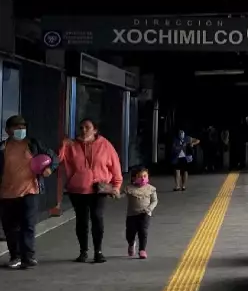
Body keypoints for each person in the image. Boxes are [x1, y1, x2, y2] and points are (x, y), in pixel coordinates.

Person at [59, 118, 122, 263]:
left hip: (98, 189)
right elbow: (58, 160)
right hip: (77, 190)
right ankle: (83, 251)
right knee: (81, 221)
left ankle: (98, 251)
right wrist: (63, 144)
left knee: (97, 217)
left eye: (87, 127)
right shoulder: (72, 145)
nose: (83, 130)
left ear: (95, 130)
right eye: (81, 127)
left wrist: (116, 186)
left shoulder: (105, 145)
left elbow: (115, 166)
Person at [0, 115, 58, 269]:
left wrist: (49, 168)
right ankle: (15, 256)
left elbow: (54, 157)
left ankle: (28, 257)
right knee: (10, 227)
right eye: (17, 127)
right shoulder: (2, 147)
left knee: (28, 224)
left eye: (23, 127)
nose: (21, 130)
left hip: (30, 190)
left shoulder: (33, 144)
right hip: (7, 193)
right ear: (8, 130)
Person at [123, 166, 157, 259]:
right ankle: (131, 243)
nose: (143, 178)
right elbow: (120, 196)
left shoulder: (151, 189)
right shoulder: (129, 188)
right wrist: (113, 192)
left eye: (145, 176)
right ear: (134, 178)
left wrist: (149, 208)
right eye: (140, 176)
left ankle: (142, 250)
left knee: (143, 231)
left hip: (145, 214)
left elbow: (154, 201)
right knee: (130, 232)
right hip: (132, 215)